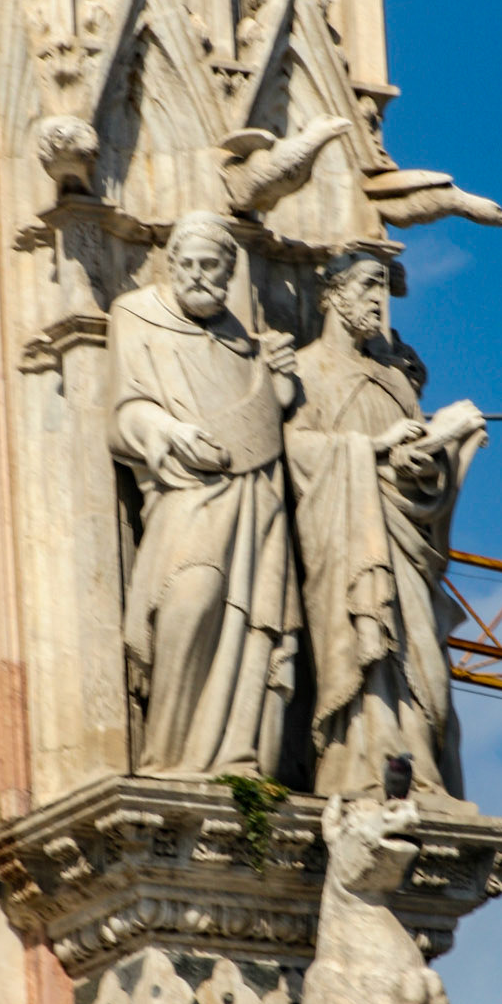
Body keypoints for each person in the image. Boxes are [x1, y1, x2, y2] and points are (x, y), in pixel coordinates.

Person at [286, 250, 485, 801]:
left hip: (404, 539)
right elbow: (295, 448)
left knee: (427, 666)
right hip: (346, 538)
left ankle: (420, 770)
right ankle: (362, 770)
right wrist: (367, 450)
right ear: (331, 293)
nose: (379, 300)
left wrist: (439, 449)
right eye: (367, 284)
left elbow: (421, 473)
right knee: (365, 648)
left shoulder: (397, 382)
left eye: (384, 289)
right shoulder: (305, 371)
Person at [108, 212, 300, 778]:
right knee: (190, 599)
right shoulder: (137, 314)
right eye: (186, 263)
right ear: (171, 265)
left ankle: (233, 756)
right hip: (183, 493)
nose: (197, 274)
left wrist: (280, 384)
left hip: (255, 502)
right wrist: (167, 432)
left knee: (246, 622)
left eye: (209, 264)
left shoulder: (246, 343)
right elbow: (124, 410)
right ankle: (166, 753)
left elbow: (264, 421)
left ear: (230, 271)